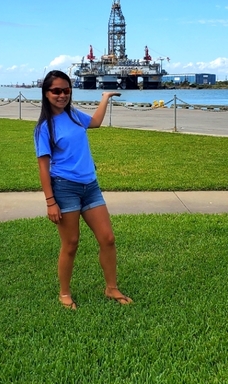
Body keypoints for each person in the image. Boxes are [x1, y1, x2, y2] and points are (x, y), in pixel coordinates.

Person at [34, 70, 132, 310]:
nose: (62, 95)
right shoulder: (45, 128)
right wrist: (50, 202)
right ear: (46, 94)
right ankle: (64, 293)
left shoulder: (75, 116)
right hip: (64, 188)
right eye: (56, 91)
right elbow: (43, 168)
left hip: (90, 186)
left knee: (108, 239)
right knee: (71, 243)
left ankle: (111, 288)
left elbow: (95, 122)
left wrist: (105, 98)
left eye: (66, 90)